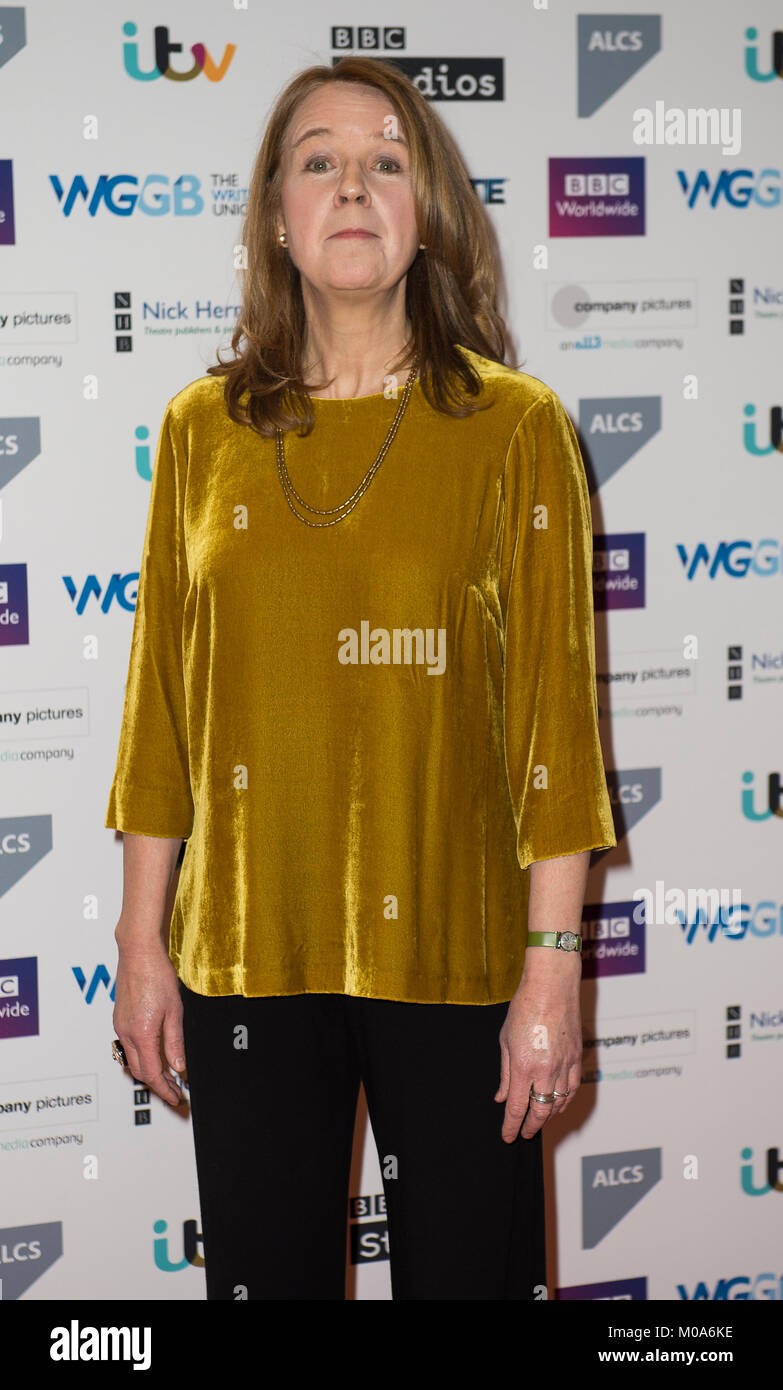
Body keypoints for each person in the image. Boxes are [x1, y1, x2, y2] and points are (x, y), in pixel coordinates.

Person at [105, 54, 616, 1301]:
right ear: (276, 214)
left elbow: (555, 724)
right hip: (244, 953)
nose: (352, 184)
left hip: (457, 952)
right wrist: (139, 935)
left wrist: (553, 968)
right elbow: (161, 711)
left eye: (387, 161)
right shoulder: (199, 430)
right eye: (318, 159)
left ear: (427, 211)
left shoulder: (514, 428)